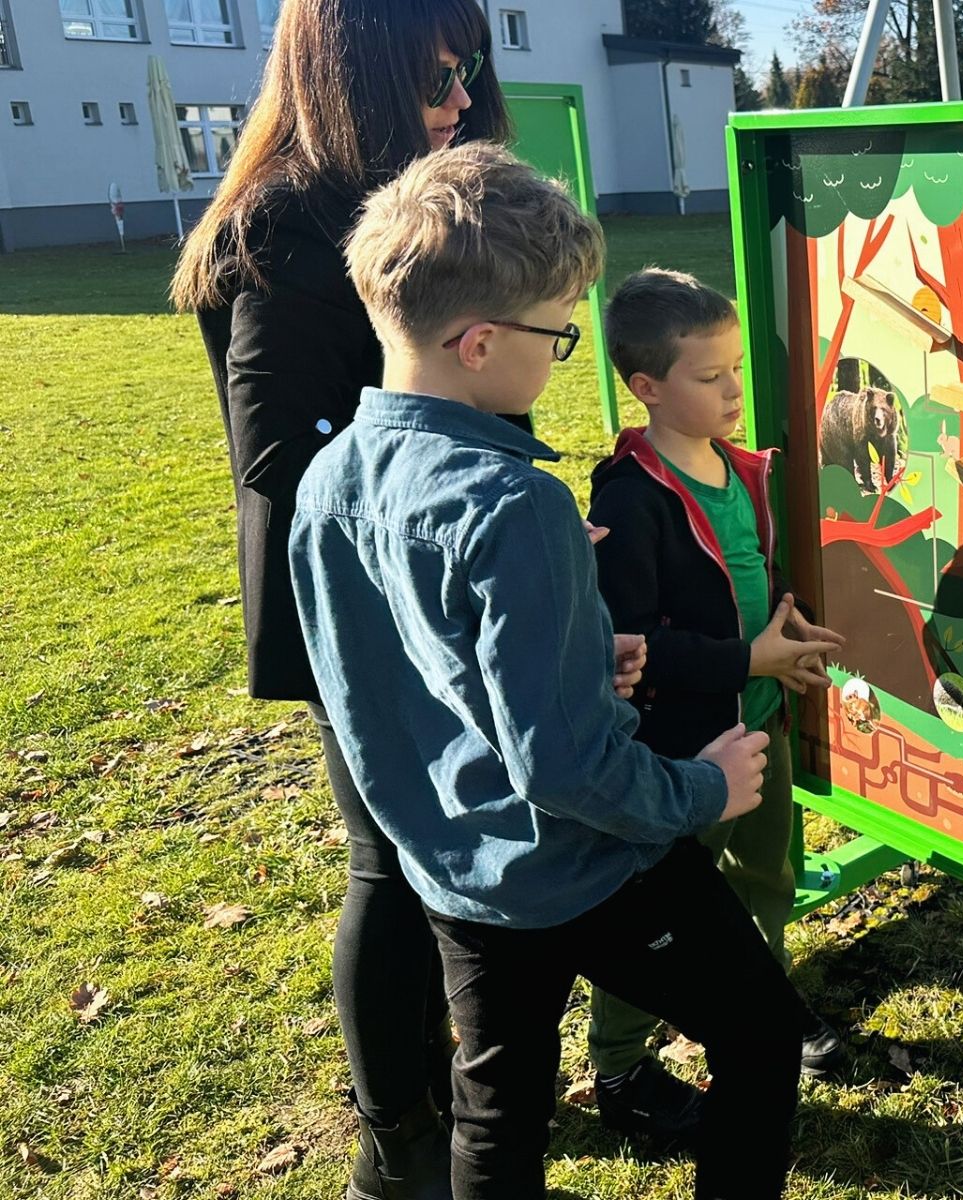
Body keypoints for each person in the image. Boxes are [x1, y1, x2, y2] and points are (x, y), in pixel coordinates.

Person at [169, 3, 643, 1195]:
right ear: (351, 72)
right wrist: (464, 528)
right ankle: (399, 1142)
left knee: (463, 836)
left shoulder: (407, 195)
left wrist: (505, 525)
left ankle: (477, 1083)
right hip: (361, 602)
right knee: (391, 861)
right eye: (438, 75)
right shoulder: (287, 220)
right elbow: (279, 455)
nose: (463, 97)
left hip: (441, 579)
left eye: (471, 67)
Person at [290, 142, 809, 1200]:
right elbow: (566, 769)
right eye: (559, 332)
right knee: (761, 1032)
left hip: (453, 869)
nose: (563, 351)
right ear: (481, 342)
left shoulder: (329, 475)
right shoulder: (514, 502)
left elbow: (388, 679)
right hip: (587, 862)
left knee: (499, 1105)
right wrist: (704, 788)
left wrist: (570, 651)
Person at [582, 270, 848, 1144]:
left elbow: (750, 579)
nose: (735, 390)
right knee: (658, 920)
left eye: (736, 368)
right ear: (647, 387)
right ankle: (621, 1066)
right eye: (710, 376)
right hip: (679, 758)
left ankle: (762, 1007)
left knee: (766, 880)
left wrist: (783, 636)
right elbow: (629, 644)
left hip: (759, 727)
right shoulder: (630, 497)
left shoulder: (742, 469)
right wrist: (745, 658)